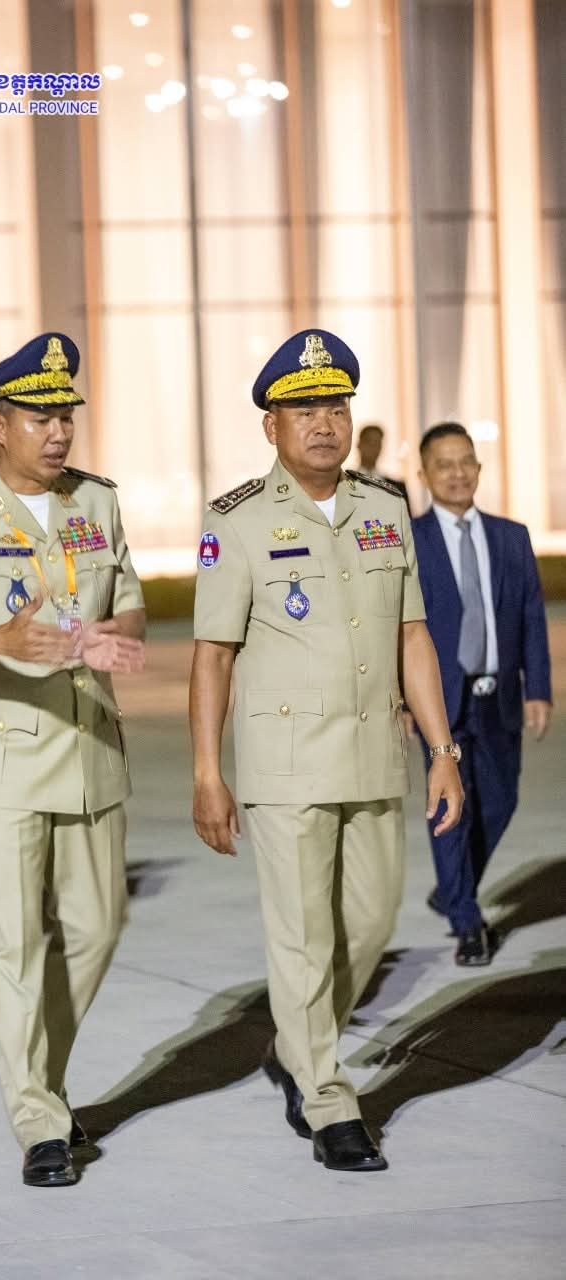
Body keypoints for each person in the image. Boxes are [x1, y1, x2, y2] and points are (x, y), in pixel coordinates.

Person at [189, 328, 463, 1173]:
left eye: (335, 407)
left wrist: (442, 749)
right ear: (270, 426)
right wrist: (207, 772)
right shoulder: (236, 520)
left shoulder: (382, 508)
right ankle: (325, 1095)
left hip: (373, 754)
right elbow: (212, 655)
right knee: (303, 936)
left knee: (371, 922)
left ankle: (296, 1041)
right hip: (283, 764)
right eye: (303, 409)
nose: (323, 423)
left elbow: (411, 635)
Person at [0, 332, 145, 1189]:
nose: (57, 433)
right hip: (6, 756)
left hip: (90, 746)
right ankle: (39, 1121)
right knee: (13, 944)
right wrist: (1, 640)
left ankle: (39, 1078)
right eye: (39, 418)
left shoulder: (99, 502)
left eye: (65, 417)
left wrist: (115, 639)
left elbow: (129, 606)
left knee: (96, 928)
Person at [410, 422, 552, 965]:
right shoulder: (411, 541)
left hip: (500, 696)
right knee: (451, 807)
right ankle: (467, 921)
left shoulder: (511, 536)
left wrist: (538, 688)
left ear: (479, 468)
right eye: (443, 465)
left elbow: (531, 614)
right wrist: (401, 699)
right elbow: (395, 627)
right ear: (424, 475)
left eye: (465, 462)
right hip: (439, 700)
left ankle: (453, 886)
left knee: (500, 800)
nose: (457, 474)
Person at [355, 423, 408, 503]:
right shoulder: (342, 483)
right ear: (359, 445)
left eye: (377, 443)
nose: (373, 447)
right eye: (369, 442)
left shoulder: (397, 488)